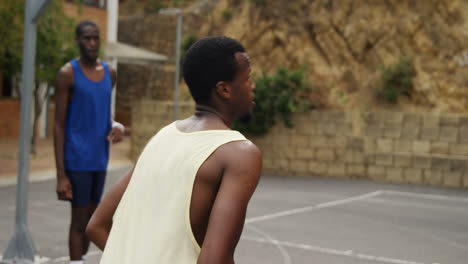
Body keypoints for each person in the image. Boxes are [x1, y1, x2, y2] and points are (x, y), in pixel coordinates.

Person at [86, 36, 262, 263]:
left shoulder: (162, 137)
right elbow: (215, 260)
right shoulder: (239, 154)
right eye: (247, 78)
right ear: (224, 89)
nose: (252, 85)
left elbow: (96, 226)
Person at [54, 20, 124, 264]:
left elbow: (101, 113)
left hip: (99, 157)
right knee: (80, 219)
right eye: (86, 38)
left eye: (96, 38)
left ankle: (80, 259)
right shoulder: (67, 74)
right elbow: (59, 125)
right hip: (77, 158)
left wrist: (117, 126)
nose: (92, 43)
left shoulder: (110, 73)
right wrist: (61, 175)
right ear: (77, 41)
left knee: (93, 218)